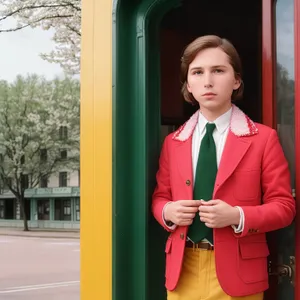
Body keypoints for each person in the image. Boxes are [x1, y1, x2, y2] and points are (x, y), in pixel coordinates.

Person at [151, 35, 296, 300]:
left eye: (218, 70)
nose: (208, 80)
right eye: (197, 72)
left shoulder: (263, 139)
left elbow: (284, 208)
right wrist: (168, 210)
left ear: (236, 80)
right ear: (189, 86)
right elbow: (160, 198)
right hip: (183, 270)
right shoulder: (173, 143)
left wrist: (237, 216)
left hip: (240, 274)